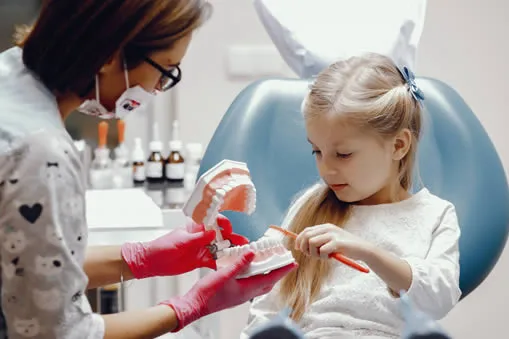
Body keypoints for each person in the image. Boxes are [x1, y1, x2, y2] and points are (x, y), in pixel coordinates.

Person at [0, 1, 296, 338]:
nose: (158, 88)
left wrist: (141, 259)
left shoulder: (8, 76)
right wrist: (188, 307)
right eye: (165, 71)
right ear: (110, 53)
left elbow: (29, 269)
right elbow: (60, 334)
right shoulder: (41, 153)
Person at [240, 54, 462, 339]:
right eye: (316, 151)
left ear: (398, 145)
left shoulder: (435, 215)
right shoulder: (310, 207)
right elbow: (267, 309)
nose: (326, 169)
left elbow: (439, 298)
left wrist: (365, 250)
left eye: (343, 154)